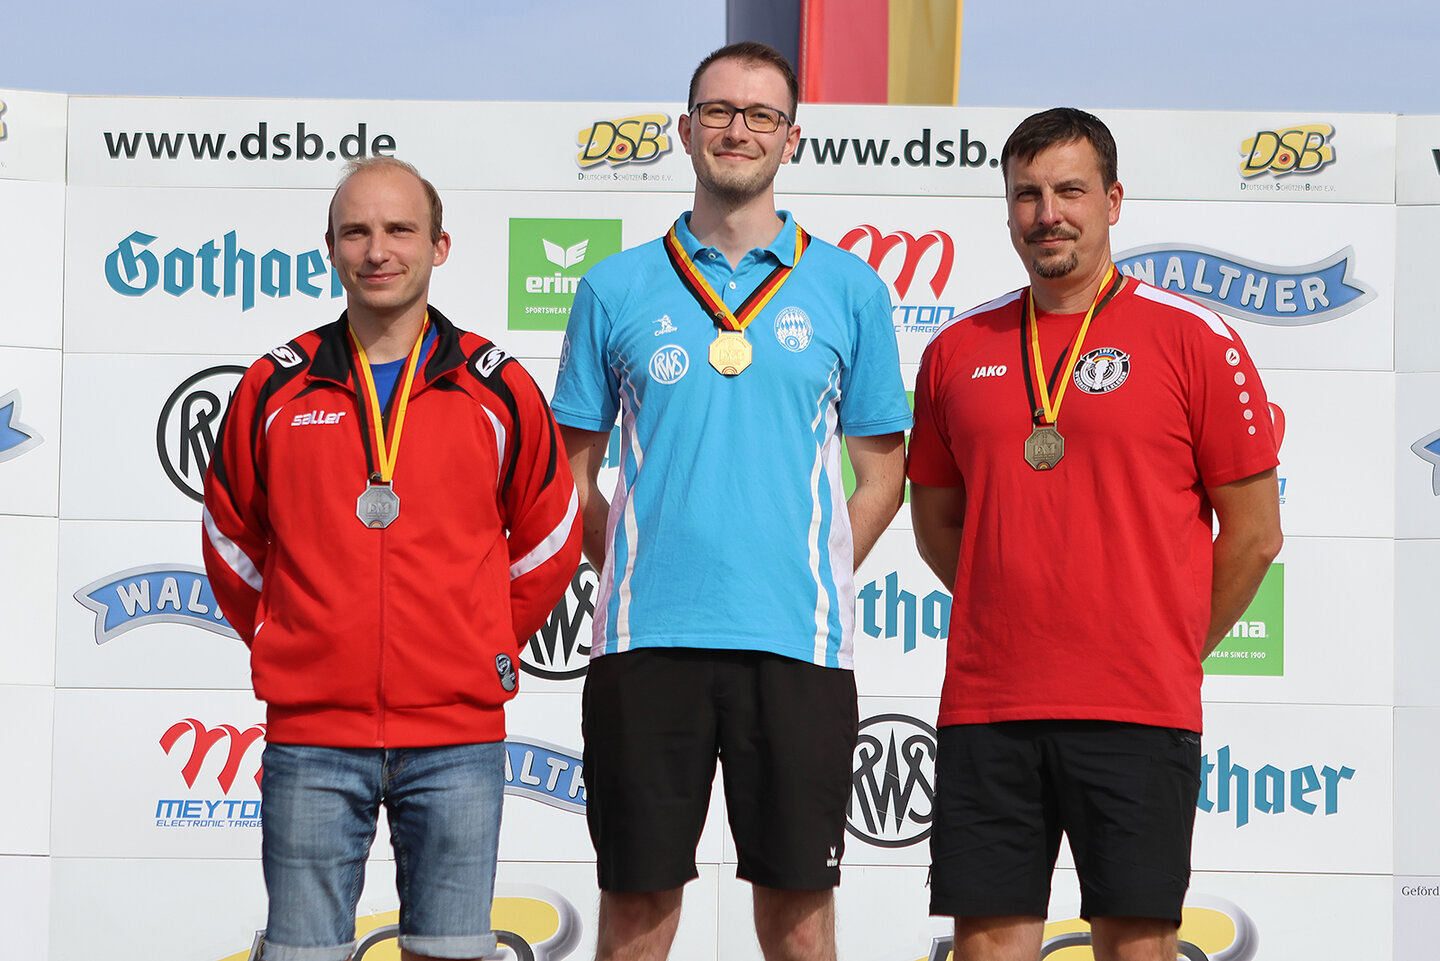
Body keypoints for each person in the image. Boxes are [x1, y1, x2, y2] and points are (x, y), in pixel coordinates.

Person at [551, 41, 911, 961]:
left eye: (760, 115)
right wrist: (632, 560)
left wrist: (812, 563)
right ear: (685, 130)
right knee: (636, 912)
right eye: (717, 111)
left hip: (796, 644)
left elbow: (882, 474)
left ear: (792, 139)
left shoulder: (850, 288)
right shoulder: (613, 286)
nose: (736, 129)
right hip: (646, 640)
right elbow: (571, 475)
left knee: (799, 917)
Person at [908, 107, 1283, 961]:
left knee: (1136, 945)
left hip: (1137, 705)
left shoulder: (1193, 337)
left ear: (1113, 200)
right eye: (1027, 194)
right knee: (985, 946)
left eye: (1070, 191)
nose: (1049, 214)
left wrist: (1167, 641)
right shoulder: (956, 348)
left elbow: (1255, 532)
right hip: (990, 705)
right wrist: (1014, 611)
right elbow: (937, 524)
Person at [201, 157, 581, 961]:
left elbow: (550, 534)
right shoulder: (274, 387)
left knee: (450, 953)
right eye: (357, 232)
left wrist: (479, 638)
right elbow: (231, 536)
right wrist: (290, 634)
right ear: (330, 248)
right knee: (301, 954)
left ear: (439, 246)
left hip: (456, 738)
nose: (378, 250)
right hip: (311, 734)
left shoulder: (497, 388)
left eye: (400, 230)